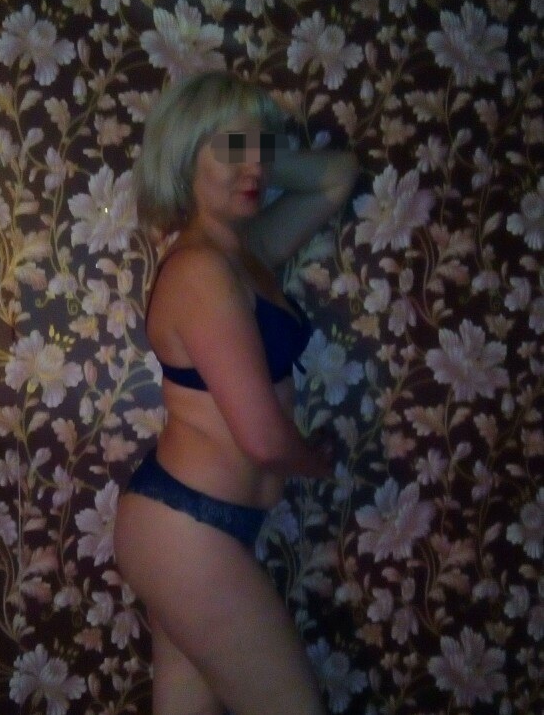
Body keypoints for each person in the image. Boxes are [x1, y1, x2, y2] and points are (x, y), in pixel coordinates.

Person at [113, 70, 358, 715]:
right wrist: (322, 461)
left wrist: (255, 149)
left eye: (262, 148)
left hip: (195, 529)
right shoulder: (201, 269)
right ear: (185, 155)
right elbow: (264, 440)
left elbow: (337, 177)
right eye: (231, 148)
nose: (256, 166)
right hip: (187, 533)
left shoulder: (244, 254)